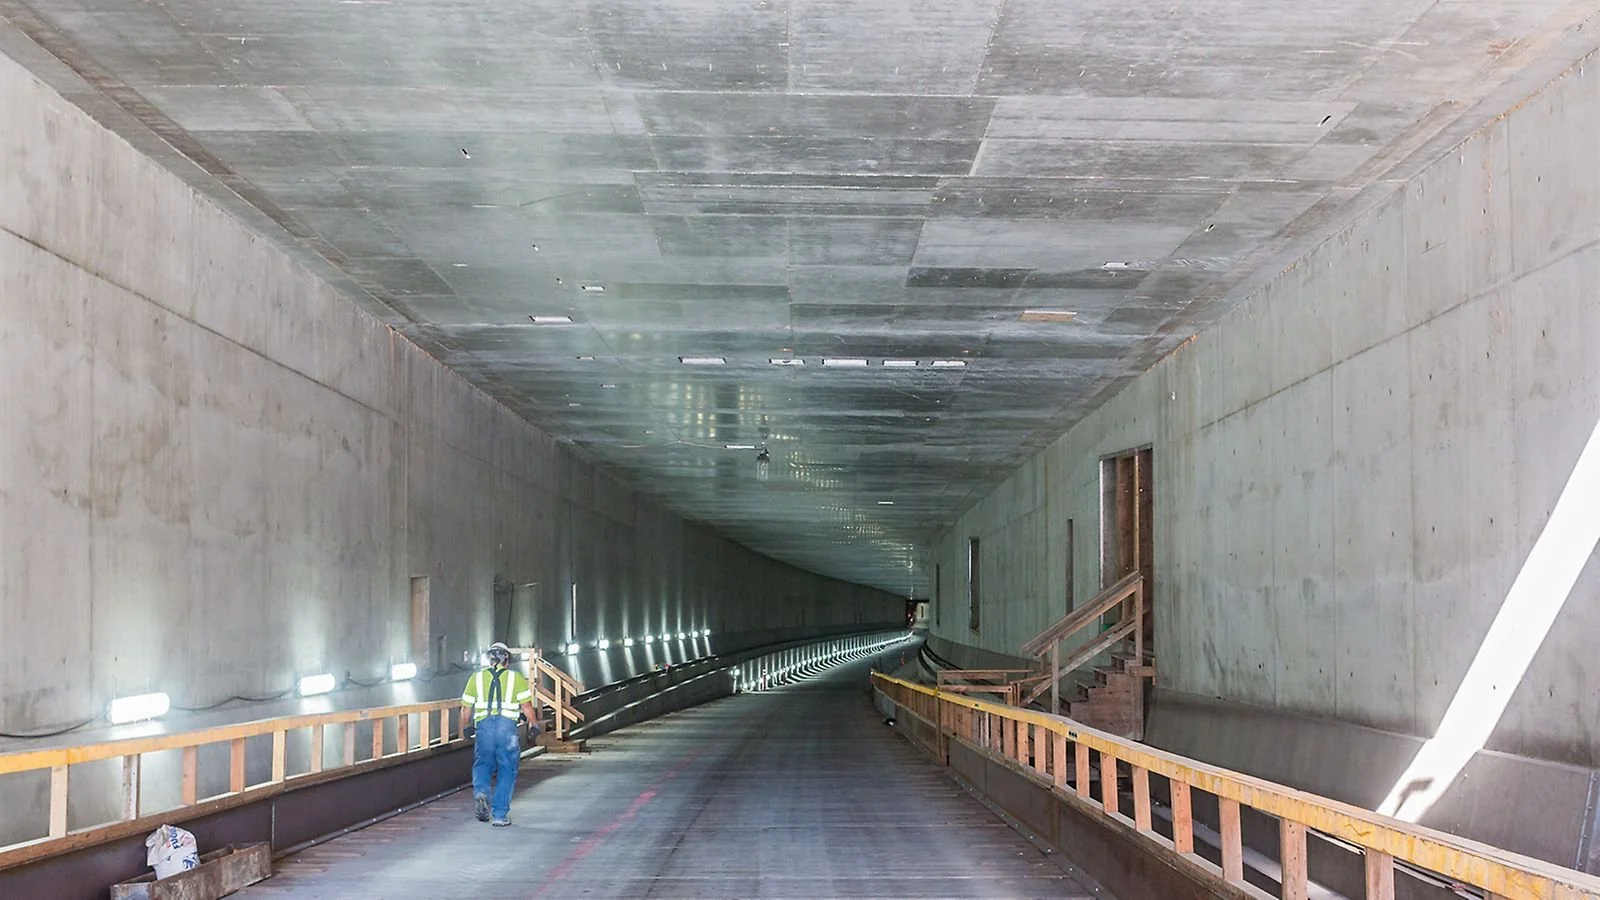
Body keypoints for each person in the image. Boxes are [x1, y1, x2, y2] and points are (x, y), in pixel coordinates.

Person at [460, 642, 537, 826]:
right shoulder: (516, 678)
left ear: (490, 659)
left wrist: (465, 728)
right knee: (507, 769)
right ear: (506, 660)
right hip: (507, 730)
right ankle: (500, 815)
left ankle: (481, 793)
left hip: (484, 729)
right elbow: (526, 706)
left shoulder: (476, 678)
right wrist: (534, 724)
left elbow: (465, 708)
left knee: (483, 764)